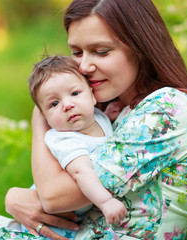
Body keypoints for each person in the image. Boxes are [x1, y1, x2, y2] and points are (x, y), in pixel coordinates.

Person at [0, 0, 187, 239]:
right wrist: (14, 199)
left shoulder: (166, 109)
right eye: (76, 52)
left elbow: (54, 198)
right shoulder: (113, 112)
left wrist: (40, 116)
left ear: (141, 46)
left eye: (101, 51)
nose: (84, 66)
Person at [27, 55, 127, 226]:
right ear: (45, 118)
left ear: (92, 96)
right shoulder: (65, 139)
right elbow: (82, 173)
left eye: (74, 93)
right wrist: (106, 202)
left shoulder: (96, 117)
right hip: (55, 218)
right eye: (54, 104)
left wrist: (108, 116)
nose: (67, 105)